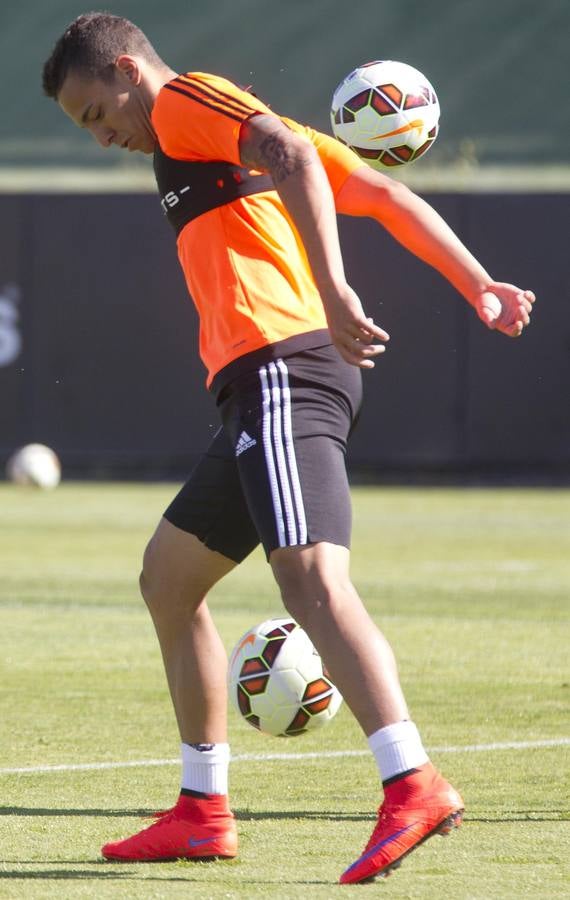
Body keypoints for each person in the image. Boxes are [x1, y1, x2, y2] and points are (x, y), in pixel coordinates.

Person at [42, 13, 535, 885]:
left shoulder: (190, 100)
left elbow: (301, 158)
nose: (101, 133)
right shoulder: (204, 127)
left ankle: (412, 780)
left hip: (283, 366)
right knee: (169, 578)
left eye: (93, 111)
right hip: (253, 385)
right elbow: (378, 192)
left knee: (309, 577)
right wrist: (477, 283)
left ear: (126, 69)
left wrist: (336, 287)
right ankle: (202, 810)